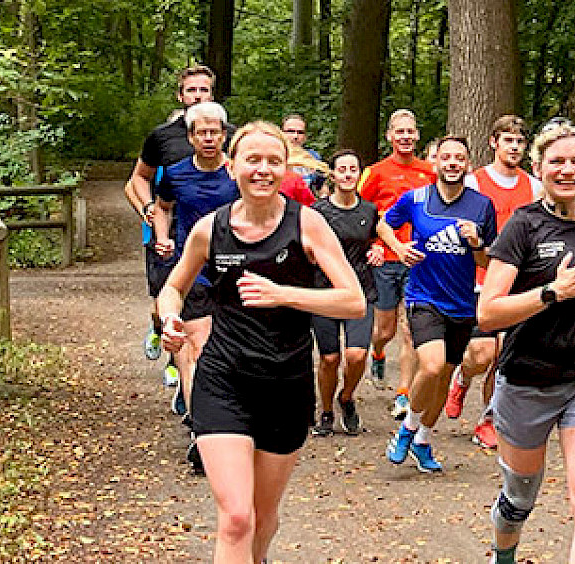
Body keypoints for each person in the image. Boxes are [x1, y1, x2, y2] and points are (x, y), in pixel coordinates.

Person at [156, 121, 366, 564]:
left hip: (285, 384)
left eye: (274, 161)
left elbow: (354, 302)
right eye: (253, 160)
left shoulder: (307, 224)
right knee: (235, 517)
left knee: (262, 515)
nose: (263, 170)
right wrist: (170, 317)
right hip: (224, 380)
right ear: (232, 167)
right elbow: (172, 288)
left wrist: (284, 294)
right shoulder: (209, 230)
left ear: (286, 169)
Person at [475, 120, 575, 564]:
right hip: (527, 379)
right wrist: (551, 293)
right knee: (519, 497)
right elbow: (488, 312)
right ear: (538, 167)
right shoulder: (523, 227)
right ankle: (503, 553)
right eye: (557, 161)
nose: (568, 170)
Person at [377, 136, 495, 472]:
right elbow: (384, 224)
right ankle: (407, 430)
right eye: (446, 157)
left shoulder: (481, 206)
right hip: (423, 298)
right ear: (436, 163)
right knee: (430, 365)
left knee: (443, 377)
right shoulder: (416, 199)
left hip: (462, 302)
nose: (453, 163)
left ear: (467, 164)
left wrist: (476, 243)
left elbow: (488, 261)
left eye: (459, 158)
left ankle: (424, 440)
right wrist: (398, 251)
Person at [150, 101, 241, 473]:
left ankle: (232, 424)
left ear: (223, 135)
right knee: (195, 351)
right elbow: (162, 206)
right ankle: (202, 434)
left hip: (235, 273)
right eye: (200, 132)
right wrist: (162, 238)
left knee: (231, 354)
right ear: (189, 137)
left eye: (214, 132)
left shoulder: (238, 173)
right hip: (193, 272)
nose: (208, 138)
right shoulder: (174, 174)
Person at [122, 64, 215, 394]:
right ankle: (167, 342)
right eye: (192, 90)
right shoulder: (163, 137)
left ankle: (189, 369)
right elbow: (137, 179)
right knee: (167, 297)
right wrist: (148, 209)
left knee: (203, 307)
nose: (198, 96)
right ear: (181, 95)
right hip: (169, 233)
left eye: (204, 90)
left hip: (211, 233)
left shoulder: (225, 134)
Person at [451, 115, 542, 450]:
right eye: (508, 140)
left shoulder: (533, 186)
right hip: (479, 278)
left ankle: (488, 419)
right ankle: (462, 377)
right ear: (493, 143)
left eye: (519, 142)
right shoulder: (475, 183)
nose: (514, 147)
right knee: (481, 352)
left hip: (518, 281)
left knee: (505, 355)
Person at [357, 110, 435, 419]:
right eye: (399, 131)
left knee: (411, 331)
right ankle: (377, 353)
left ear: (417, 136)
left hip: (419, 259)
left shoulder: (429, 172)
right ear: (390, 136)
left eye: (410, 132)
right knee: (385, 329)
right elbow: (360, 212)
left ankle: (403, 393)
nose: (405, 137)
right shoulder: (375, 172)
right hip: (387, 258)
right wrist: (374, 245)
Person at [309, 150, 376, 437]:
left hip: (361, 291)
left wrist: (377, 251)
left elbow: (376, 237)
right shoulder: (317, 212)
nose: (348, 174)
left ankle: (346, 398)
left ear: (359, 175)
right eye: (342, 169)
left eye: (353, 169)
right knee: (329, 359)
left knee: (357, 355)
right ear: (333, 175)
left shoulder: (369, 211)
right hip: (324, 292)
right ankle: (325, 411)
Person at [282, 114, 324, 190]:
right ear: (281, 133)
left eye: (300, 132)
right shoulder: (273, 155)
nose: (295, 136)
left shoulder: (313, 157)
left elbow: (321, 186)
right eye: (290, 131)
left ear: (305, 137)